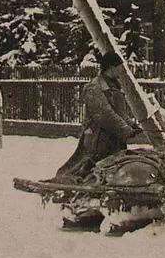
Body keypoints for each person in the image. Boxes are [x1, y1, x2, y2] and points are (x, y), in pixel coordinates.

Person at [54, 51, 140, 181]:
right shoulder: (94, 88)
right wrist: (126, 130)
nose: (121, 70)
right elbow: (106, 116)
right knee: (84, 171)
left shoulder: (115, 86)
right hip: (97, 140)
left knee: (114, 172)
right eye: (119, 67)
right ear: (110, 67)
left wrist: (132, 124)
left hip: (114, 140)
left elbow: (120, 113)